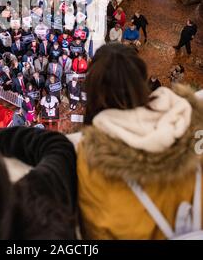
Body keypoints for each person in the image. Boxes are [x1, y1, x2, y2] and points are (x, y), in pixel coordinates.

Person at [78, 43, 203, 240]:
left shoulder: (91, 158)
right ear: (142, 78)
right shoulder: (193, 121)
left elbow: (97, 228)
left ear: (93, 90)